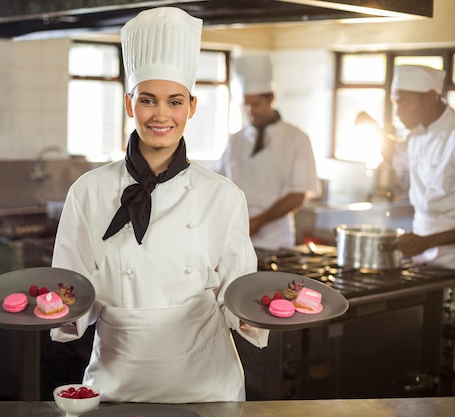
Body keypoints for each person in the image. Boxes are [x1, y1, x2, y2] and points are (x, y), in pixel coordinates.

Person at [49, 7, 269, 403]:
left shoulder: (224, 196)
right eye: (148, 100)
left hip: (206, 386)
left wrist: (264, 311)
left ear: (192, 107)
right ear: (130, 104)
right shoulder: (89, 191)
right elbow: (70, 290)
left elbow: (238, 291)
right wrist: (50, 310)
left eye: (175, 101)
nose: (162, 115)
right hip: (116, 385)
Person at [387, 65, 455, 400]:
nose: (398, 111)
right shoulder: (419, 133)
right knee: (424, 348)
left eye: (404, 103)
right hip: (423, 255)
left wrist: (428, 240)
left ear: (431, 96)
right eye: (395, 102)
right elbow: (399, 162)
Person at [215, 53, 319, 251]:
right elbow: (217, 183)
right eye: (245, 104)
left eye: (256, 104)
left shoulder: (297, 138)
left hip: (275, 242)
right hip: (233, 238)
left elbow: (298, 195)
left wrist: (257, 222)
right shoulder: (235, 139)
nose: (250, 111)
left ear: (271, 98)